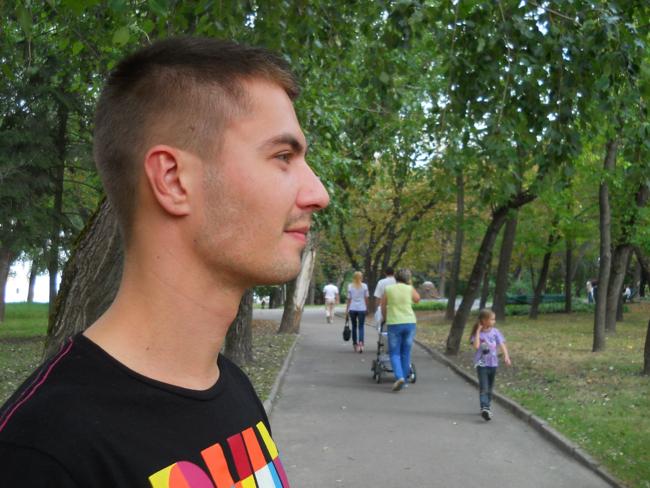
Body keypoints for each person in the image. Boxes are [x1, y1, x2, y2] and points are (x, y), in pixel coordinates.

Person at [0, 37, 329, 487]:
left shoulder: (234, 390)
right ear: (173, 180)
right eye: (283, 157)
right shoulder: (42, 453)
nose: (318, 193)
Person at [380, 268, 420, 392]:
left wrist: (385, 318)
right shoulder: (409, 288)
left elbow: (383, 306)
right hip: (410, 323)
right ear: (408, 278)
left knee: (394, 353)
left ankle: (399, 377)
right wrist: (410, 285)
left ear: (395, 278)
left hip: (394, 323)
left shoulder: (389, 289)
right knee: (405, 352)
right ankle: (405, 380)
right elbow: (417, 299)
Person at [469, 309, 512, 421]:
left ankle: (486, 407)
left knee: (490, 387)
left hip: (493, 364)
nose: (494, 321)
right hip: (481, 364)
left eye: (494, 319)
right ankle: (485, 408)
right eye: (492, 319)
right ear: (484, 320)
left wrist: (506, 356)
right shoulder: (477, 333)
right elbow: (476, 346)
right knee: (484, 387)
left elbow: (502, 344)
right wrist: (478, 331)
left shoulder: (495, 332)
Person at [345, 271, 369, 352]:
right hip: (362, 308)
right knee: (361, 327)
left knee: (354, 326)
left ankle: (355, 344)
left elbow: (349, 299)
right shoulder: (364, 286)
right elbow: (366, 298)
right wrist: (367, 307)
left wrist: (347, 310)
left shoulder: (350, 286)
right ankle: (361, 344)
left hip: (352, 308)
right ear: (361, 277)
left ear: (354, 277)